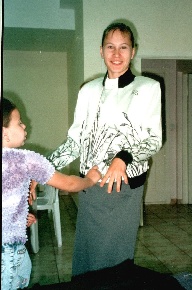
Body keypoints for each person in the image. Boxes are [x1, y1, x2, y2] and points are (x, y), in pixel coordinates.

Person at [47, 22, 162, 277]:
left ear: (133, 52)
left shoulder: (148, 88)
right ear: (101, 51)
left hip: (123, 188)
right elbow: (75, 140)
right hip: (91, 187)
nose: (117, 54)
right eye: (110, 47)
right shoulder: (88, 91)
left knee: (114, 263)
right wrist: (43, 167)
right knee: (87, 258)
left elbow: (153, 139)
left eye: (124, 47)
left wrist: (123, 158)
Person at [2, 98, 101, 290]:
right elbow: (69, 183)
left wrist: (16, 219)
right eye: (19, 122)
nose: (24, 125)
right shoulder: (25, 160)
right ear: (4, 133)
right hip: (8, 252)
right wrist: (90, 179)